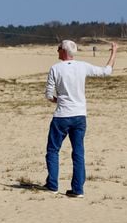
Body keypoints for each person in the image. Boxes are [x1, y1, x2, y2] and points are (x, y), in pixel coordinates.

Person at [43, 39, 117, 197]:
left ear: (63, 51)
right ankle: (77, 189)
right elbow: (106, 71)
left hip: (62, 116)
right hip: (79, 116)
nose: (57, 51)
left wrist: (59, 100)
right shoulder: (82, 66)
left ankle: (52, 185)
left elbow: (49, 95)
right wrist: (114, 52)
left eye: (58, 48)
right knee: (78, 152)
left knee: (53, 150)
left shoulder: (56, 68)